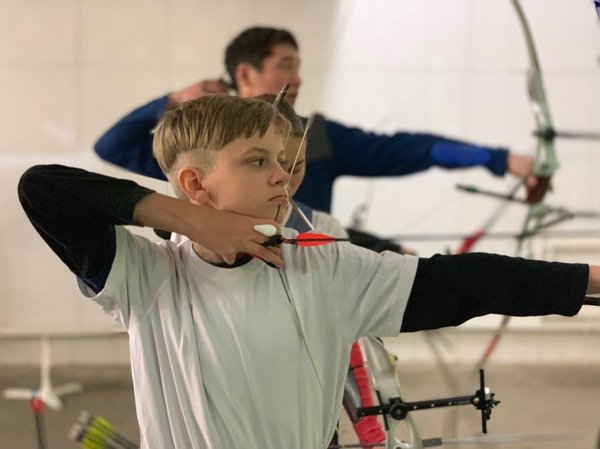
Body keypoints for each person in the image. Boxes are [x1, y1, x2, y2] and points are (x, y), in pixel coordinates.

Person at [19, 95, 599, 449]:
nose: (283, 177)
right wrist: (192, 221)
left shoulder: (324, 266)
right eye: (257, 161)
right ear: (195, 184)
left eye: (283, 161)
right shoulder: (145, 273)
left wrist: (588, 280)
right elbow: (42, 188)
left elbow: (470, 282)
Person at [94, 26, 538, 215]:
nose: (298, 78)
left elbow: (409, 149)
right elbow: (111, 147)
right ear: (245, 74)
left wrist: (499, 159)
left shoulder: (314, 135)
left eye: (288, 163)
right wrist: (171, 100)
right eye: (285, 65)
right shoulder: (201, 141)